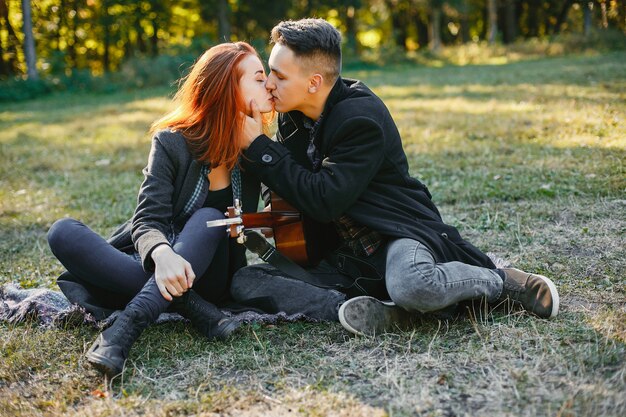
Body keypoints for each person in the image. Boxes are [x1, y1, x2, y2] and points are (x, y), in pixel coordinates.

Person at [232, 18, 559, 336]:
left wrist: (260, 148)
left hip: (394, 236)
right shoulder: (292, 118)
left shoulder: (359, 119)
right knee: (245, 282)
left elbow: (324, 199)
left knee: (413, 285)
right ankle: (368, 310)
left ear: (314, 82)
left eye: (279, 75)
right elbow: (292, 183)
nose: (269, 83)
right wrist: (269, 213)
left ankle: (502, 282)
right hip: (344, 256)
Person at [47, 42, 274, 377]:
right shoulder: (172, 143)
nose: (268, 84)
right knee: (62, 232)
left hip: (212, 277)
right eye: (258, 77)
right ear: (227, 87)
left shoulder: (258, 148)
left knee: (210, 219)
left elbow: (283, 206)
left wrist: (264, 154)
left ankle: (127, 325)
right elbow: (147, 220)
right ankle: (192, 307)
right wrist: (162, 254)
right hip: (161, 260)